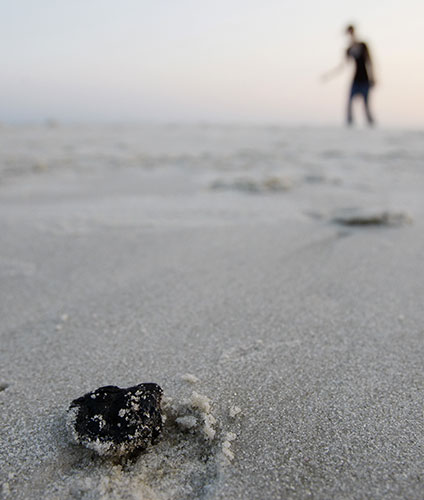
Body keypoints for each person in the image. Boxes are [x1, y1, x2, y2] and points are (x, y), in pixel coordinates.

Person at [322, 24, 376, 125]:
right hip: (355, 79)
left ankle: (371, 125)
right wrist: (328, 75)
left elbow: (370, 61)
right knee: (349, 104)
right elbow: (342, 66)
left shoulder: (363, 45)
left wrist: (373, 77)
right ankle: (350, 125)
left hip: (365, 78)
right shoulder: (348, 49)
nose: (350, 35)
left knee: (366, 105)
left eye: (351, 32)